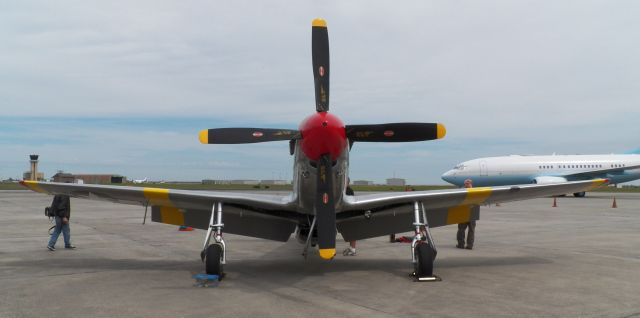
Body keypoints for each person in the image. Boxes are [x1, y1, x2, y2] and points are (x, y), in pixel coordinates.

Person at [456, 179, 475, 250]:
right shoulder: (476, 191)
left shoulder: (461, 191)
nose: (466, 185)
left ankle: (464, 244)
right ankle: (467, 245)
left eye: (467, 183)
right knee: (464, 230)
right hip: (469, 213)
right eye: (466, 184)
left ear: (470, 184)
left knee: (464, 229)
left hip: (468, 213)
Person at [343, 181, 357, 256]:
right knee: (351, 232)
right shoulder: (346, 190)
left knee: (352, 232)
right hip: (346, 214)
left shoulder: (349, 191)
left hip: (349, 215)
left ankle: (353, 249)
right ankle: (352, 248)